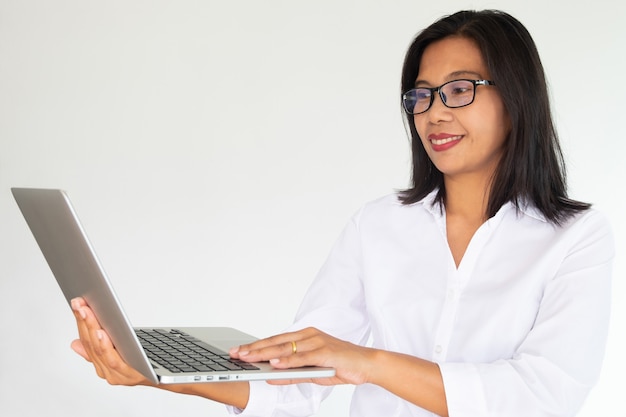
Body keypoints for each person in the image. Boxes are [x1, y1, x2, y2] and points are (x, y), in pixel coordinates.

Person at [70, 9, 614, 417]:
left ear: (517, 99)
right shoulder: (378, 226)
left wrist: (370, 363)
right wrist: (156, 374)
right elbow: (300, 384)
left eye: (459, 90)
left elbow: (544, 395)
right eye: (421, 96)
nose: (435, 112)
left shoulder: (576, 238)